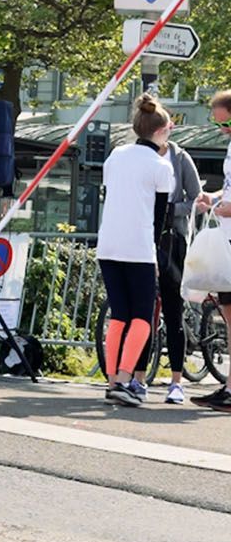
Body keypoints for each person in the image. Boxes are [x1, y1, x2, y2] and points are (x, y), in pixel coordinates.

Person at [95, 95, 175, 409]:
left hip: (108, 244)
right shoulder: (161, 166)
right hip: (138, 247)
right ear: (160, 131)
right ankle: (128, 377)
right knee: (142, 316)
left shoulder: (116, 155)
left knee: (119, 315)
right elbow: (159, 218)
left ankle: (113, 380)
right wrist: (154, 254)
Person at [154, 124, 201, 405]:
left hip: (173, 239)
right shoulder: (138, 155)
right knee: (143, 310)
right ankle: (135, 377)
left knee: (173, 309)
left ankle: (176, 381)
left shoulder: (180, 158)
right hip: (145, 238)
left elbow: (196, 199)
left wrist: (171, 210)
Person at [193, 88, 231, 411]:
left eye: (226, 123)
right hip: (226, 242)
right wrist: (214, 198)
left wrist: (225, 208)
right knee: (229, 317)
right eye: (218, 123)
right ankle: (229, 387)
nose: (221, 129)